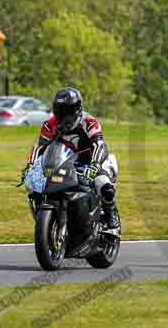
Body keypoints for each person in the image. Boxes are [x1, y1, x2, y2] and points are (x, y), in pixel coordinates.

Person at [26, 87, 121, 231]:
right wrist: (31, 166)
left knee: (102, 183)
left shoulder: (89, 122)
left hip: (92, 161)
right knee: (35, 187)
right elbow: (40, 148)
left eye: (66, 111)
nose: (62, 115)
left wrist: (94, 166)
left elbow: (99, 145)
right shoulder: (49, 125)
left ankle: (110, 214)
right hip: (63, 163)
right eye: (59, 110)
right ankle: (47, 221)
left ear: (77, 109)